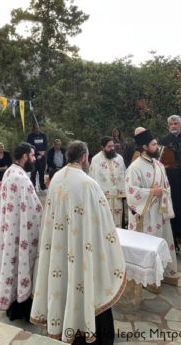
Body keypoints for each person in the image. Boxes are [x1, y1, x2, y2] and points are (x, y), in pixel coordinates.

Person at [31, 141, 126, 344]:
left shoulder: (56, 178)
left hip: (60, 246)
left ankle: (63, 327)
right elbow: (104, 224)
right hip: (82, 249)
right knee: (85, 281)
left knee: (63, 282)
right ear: (84, 158)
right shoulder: (88, 184)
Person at [0, 142, 42, 321]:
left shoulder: (9, 172)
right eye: (32, 156)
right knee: (22, 263)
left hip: (11, 230)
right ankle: (21, 306)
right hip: (19, 232)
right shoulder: (21, 178)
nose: (34, 159)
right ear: (25, 156)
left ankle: (11, 302)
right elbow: (35, 209)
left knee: (12, 263)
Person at [125, 129, 178, 283]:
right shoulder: (134, 167)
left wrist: (163, 193)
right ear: (145, 147)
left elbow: (167, 187)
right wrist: (152, 192)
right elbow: (131, 192)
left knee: (161, 241)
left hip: (159, 213)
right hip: (145, 215)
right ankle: (148, 279)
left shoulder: (159, 165)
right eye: (154, 144)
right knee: (147, 246)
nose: (157, 147)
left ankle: (164, 275)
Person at [89, 136, 126, 227]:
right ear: (103, 147)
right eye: (109, 146)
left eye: (113, 146)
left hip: (117, 196)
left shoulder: (119, 158)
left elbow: (124, 174)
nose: (112, 148)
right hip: (103, 197)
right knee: (105, 222)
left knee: (118, 222)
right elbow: (92, 177)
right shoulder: (96, 160)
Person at [26, 123, 48, 193]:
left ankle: (43, 188)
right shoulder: (30, 136)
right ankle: (33, 187)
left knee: (42, 173)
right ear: (33, 129)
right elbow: (30, 147)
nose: (37, 129)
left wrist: (42, 154)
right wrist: (37, 153)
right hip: (33, 157)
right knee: (33, 173)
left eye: (38, 128)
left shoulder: (43, 136)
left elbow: (45, 146)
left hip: (42, 158)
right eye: (35, 128)